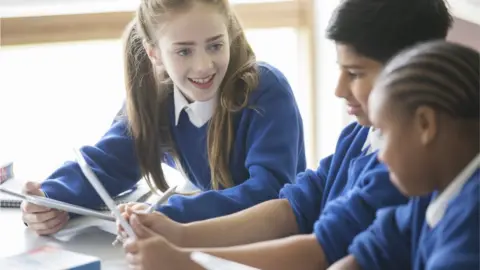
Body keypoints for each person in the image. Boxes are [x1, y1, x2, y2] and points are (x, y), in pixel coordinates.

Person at [115, 0, 454, 269]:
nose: (338, 89)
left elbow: (321, 251)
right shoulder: (358, 136)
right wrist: (181, 234)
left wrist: (188, 260)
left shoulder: (406, 169)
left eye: (354, 73)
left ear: (410, 70)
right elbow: (293, 208)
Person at [20, 0, 307, 235]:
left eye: (215, 45)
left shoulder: (265, 90)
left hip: (275, 244)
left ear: (228, 36)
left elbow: (270, 192)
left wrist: (167, 214)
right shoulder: (156, 99)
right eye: (184, 50)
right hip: (209, 246)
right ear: (154, 53)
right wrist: (48, 198)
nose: (203, 65)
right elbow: (106, 163)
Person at [329, 41, 479, 270]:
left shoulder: (471, 225)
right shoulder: (434, 190)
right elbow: (377, 249)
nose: (381, 157)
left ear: (425, 124)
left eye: (385, 134)